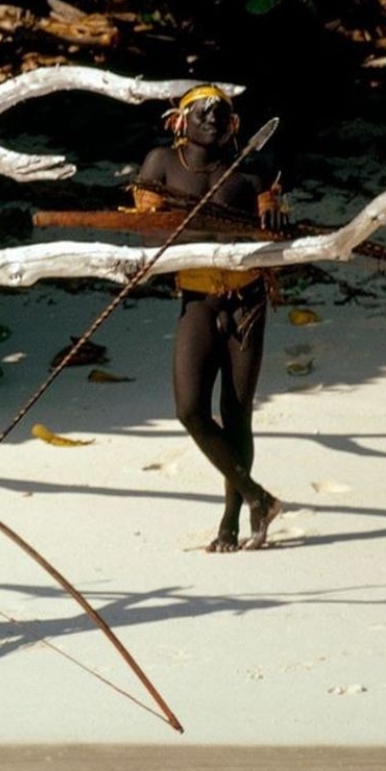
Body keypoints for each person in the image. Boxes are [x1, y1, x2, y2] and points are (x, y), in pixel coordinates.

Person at [133, 84, 289, 551]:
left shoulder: (252, 170)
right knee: (190, 411)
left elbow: (274, 224)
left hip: (247, 299)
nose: (213, 118)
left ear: (234, 125)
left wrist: (275, 211)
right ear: (179, 121)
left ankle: (232, 521)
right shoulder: (161, 164)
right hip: (197, 299)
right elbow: (146, 234)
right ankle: (258, 496)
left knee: (236, 415)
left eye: (222, 113)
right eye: (202, 112)